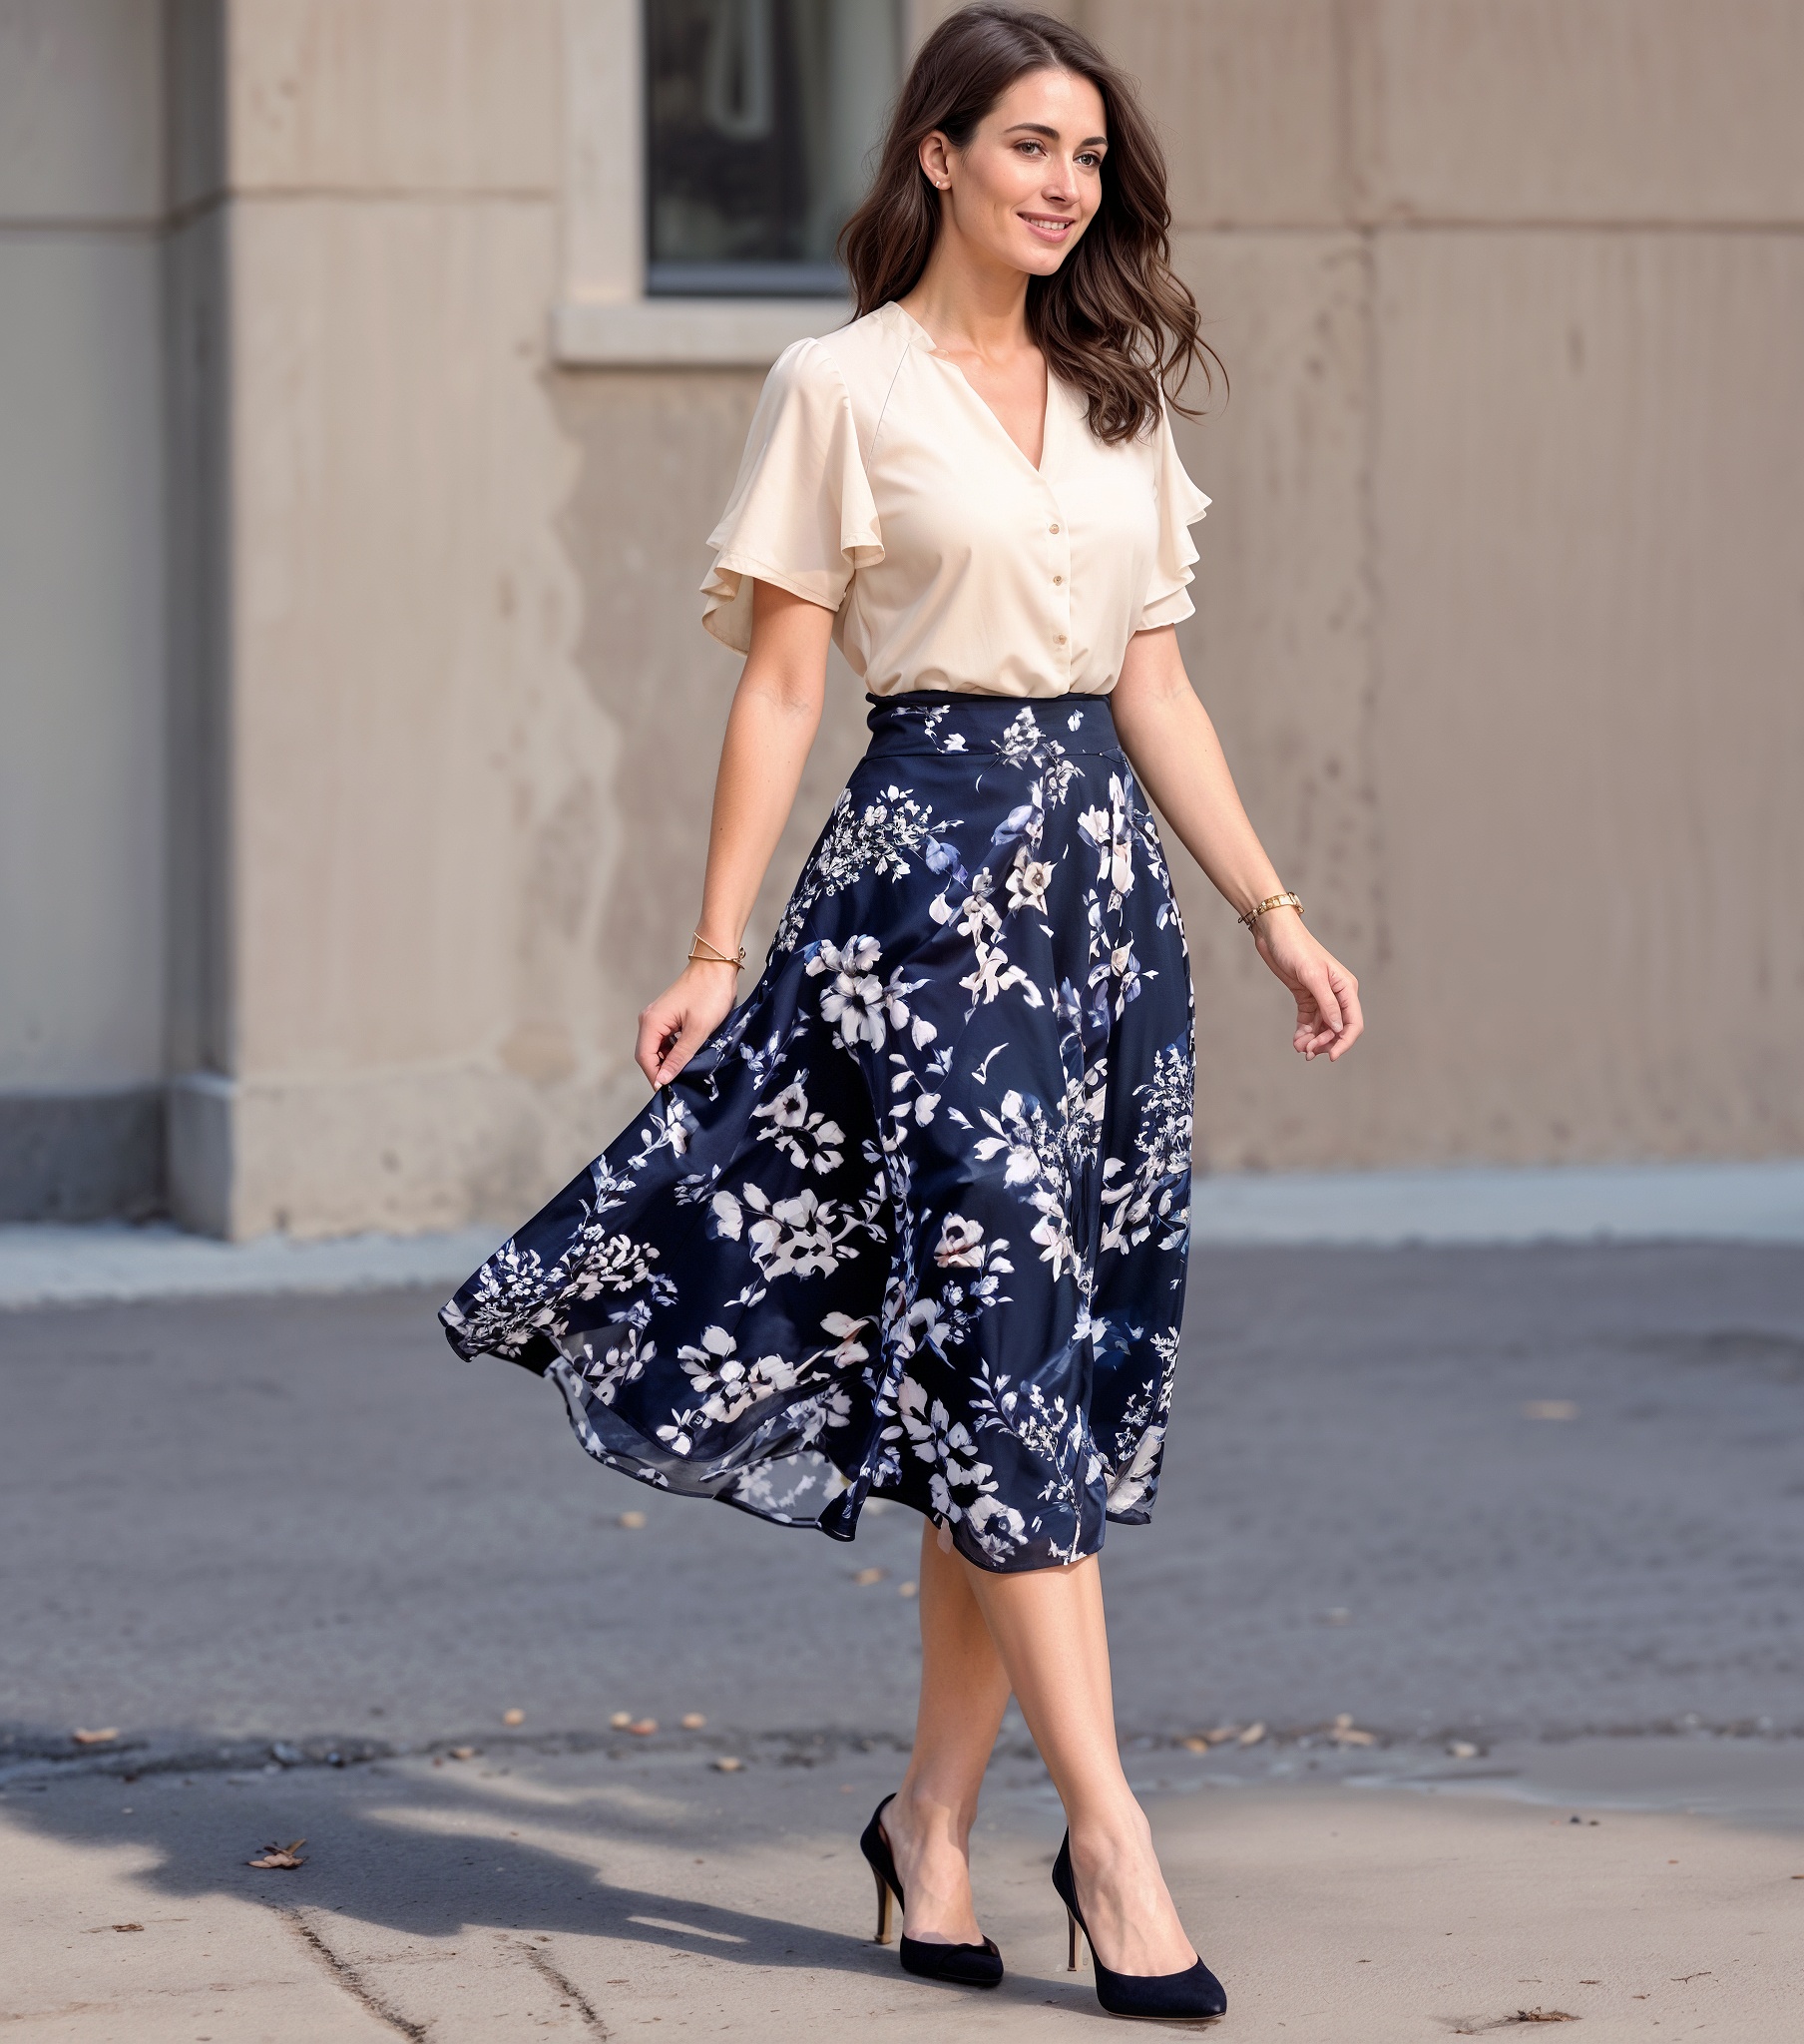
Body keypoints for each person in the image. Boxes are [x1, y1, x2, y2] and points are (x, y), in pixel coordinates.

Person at [439, 3, 1362, 2021]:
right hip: (928, 909)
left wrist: (1274, 907)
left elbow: (1158, 687)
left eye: (1090, 159)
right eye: (1030, 144)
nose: (1066, 185)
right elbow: (779, 681)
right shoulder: (833, 386)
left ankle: (928, 1830)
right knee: (1009, 1360)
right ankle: (1109, 1842)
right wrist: (710, 942)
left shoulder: (1116, 396)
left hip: (1103, 923)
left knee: (1005, 1368)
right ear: (936, 152)